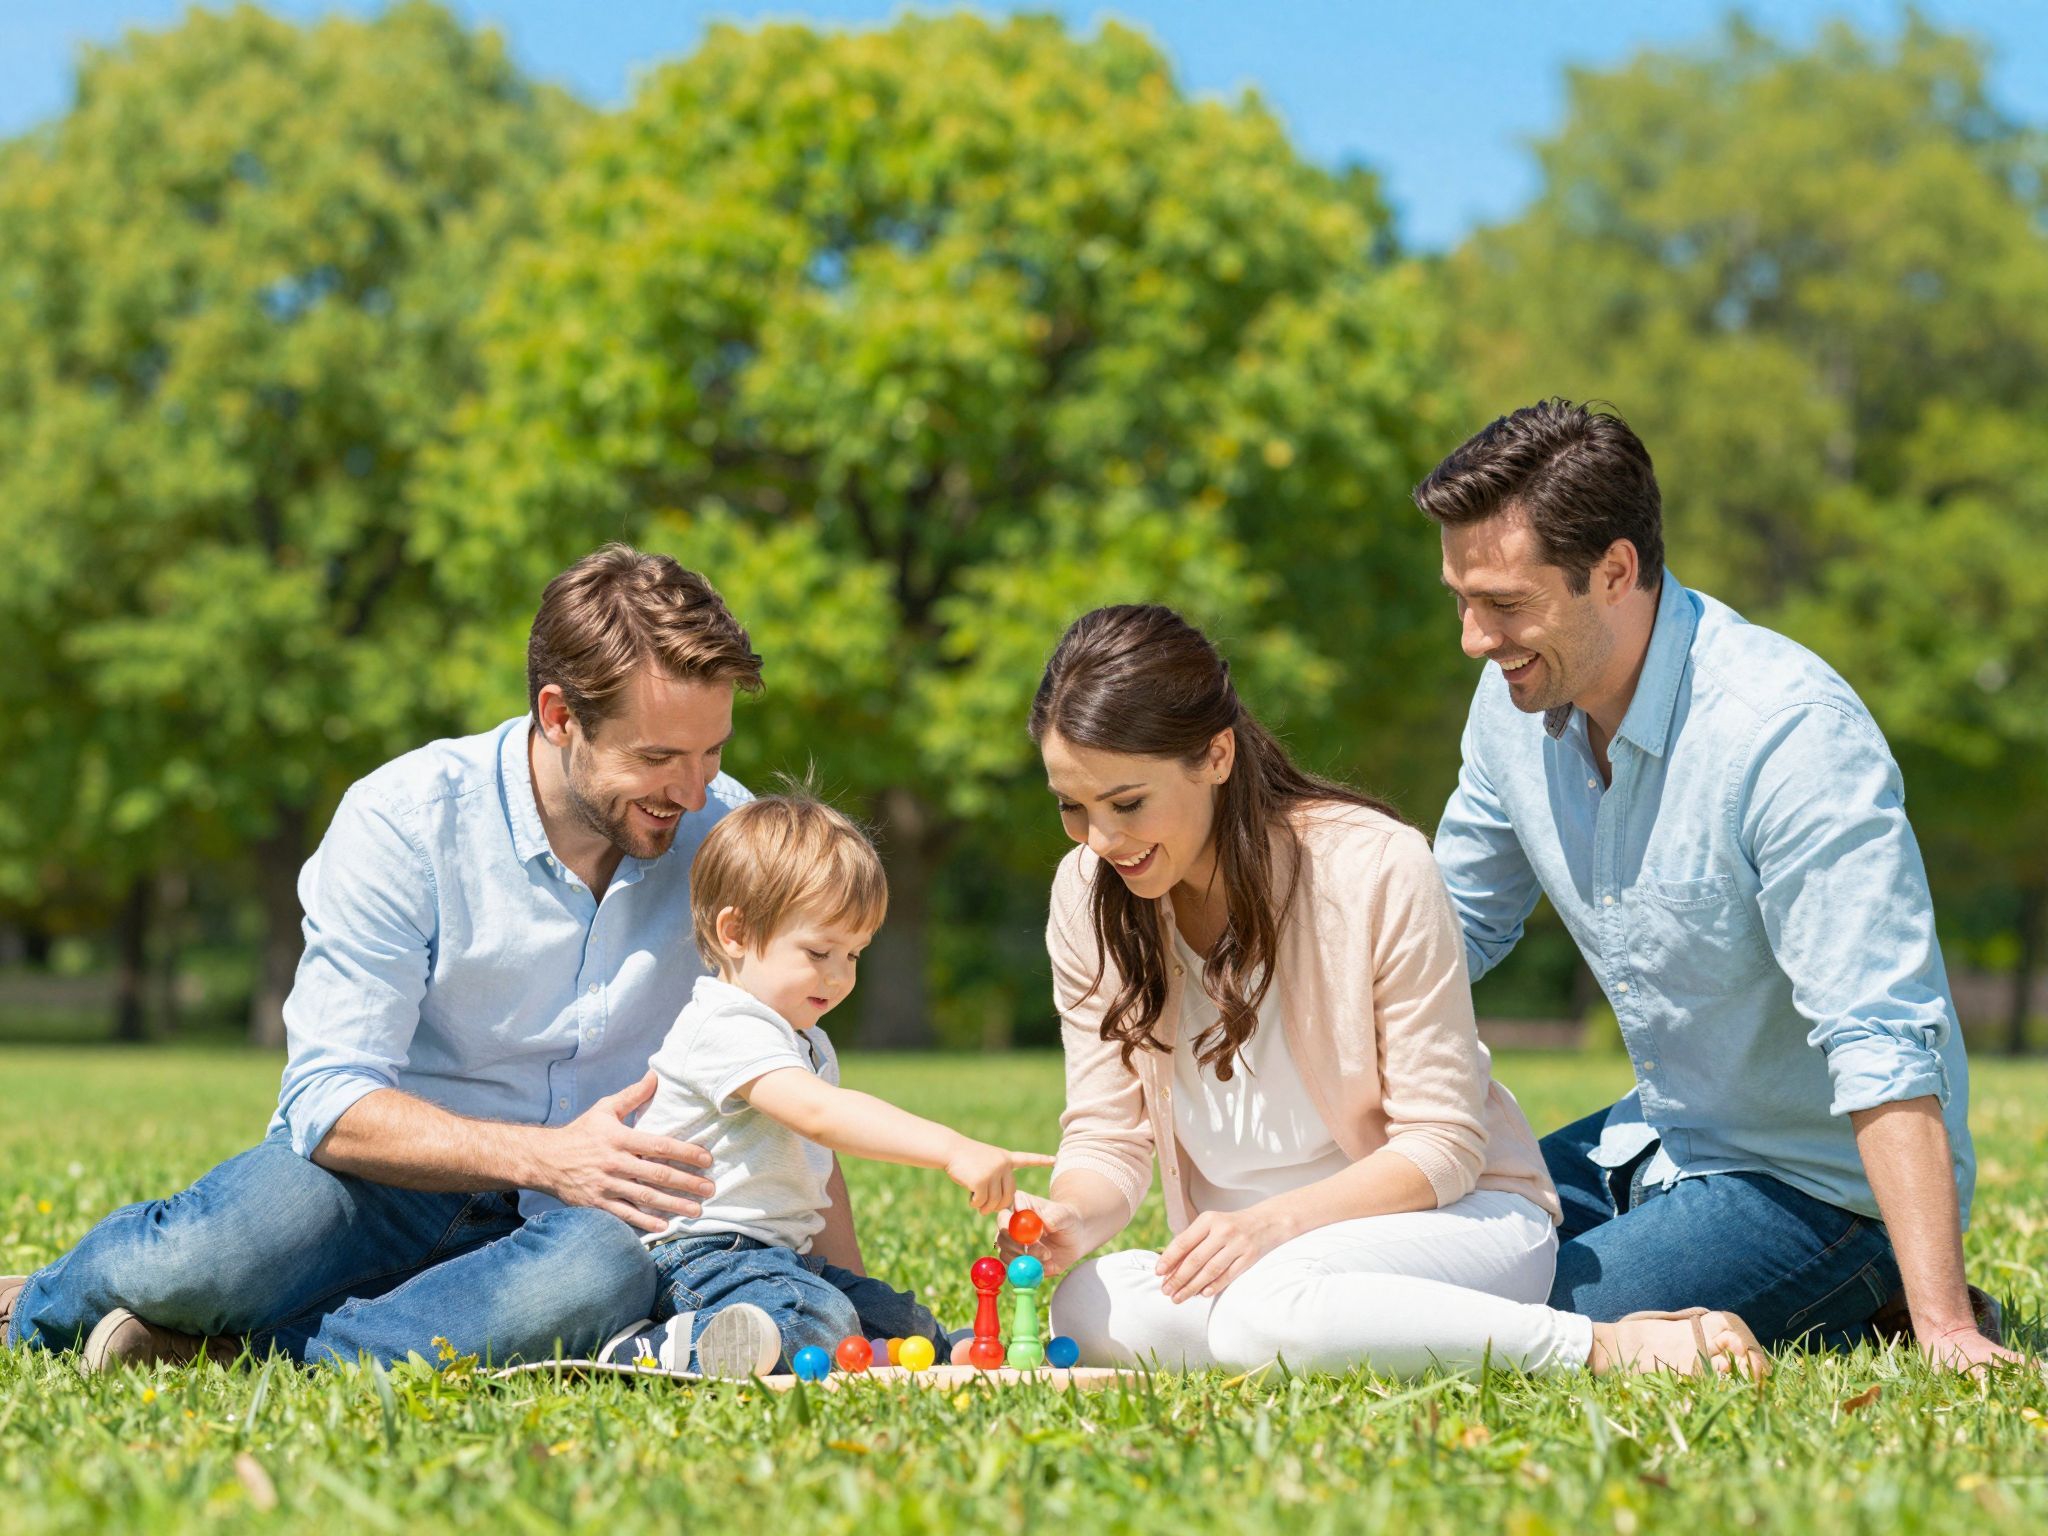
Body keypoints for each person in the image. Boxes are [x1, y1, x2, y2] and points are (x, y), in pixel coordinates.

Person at [2, 544, 760, 1370]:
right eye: (656, 757)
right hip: (377, 1187)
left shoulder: (733, 840)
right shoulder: (406, 820)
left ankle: (222, 1351)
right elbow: (330, 1100)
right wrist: (547, 1158)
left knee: (601, 1274)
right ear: (558, 715)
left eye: (712, 752)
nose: (694, 792)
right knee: (192, 1262)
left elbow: (782, 1052)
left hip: (586, 1226)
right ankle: (27, 1306)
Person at [1007, 604, 1768, 1379]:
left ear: (1216, 756)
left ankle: (1601, 1347)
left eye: (1127, 804)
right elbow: (1108, 1133)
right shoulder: (1088, 893)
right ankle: (1314, 1333)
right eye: (1072, 806)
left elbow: (1442, 1146)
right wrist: (1073, 1213)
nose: (1101, 840)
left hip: (1448, 1220)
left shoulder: (1373, 867)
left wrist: (1275, 1226)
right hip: (1254, 1261)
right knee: (1087, 1304)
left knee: (1267, 1312)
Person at [1419, 399, 2018, 1370]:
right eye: (1460, 600)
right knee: (1395, 1260)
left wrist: (1943, 1327)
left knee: (1510, 1325)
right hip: (1655, 1136)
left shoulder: (1786, 734)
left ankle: (1877, 1295)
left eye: (1503, 604)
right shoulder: (1511, 709)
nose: (1473, 639)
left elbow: (1878, 1030)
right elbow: (1446, 928)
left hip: (1816, 1188)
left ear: (1615, 572)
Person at [597, 791, 1052, 1376]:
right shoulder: (725, 1024)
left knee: (896, 1320)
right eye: (819, 951)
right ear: (735, 933)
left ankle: (936, 1347)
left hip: (777, 1260)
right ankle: (651, 1347)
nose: (839, 977)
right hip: (697, 1259)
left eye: (855, 955)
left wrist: (861, 1296)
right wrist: (952, 1148)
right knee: (814, 1319)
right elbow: (821, 1115)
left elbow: (820, 1166)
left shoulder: (803, 1037)